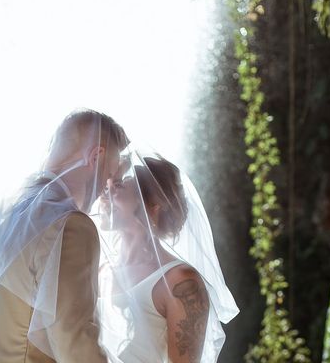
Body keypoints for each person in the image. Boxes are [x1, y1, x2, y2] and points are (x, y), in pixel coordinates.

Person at [0, 109, 128, 362]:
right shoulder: (70, 227)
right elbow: (75, 343)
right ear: (95, 157)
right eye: (108, 176)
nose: (103, 192)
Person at [95, 150, 239, 362]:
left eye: (117, 186)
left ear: (152, 206)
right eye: (107, 186)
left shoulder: (181, 281)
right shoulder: (101, 270)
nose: (103, 195)